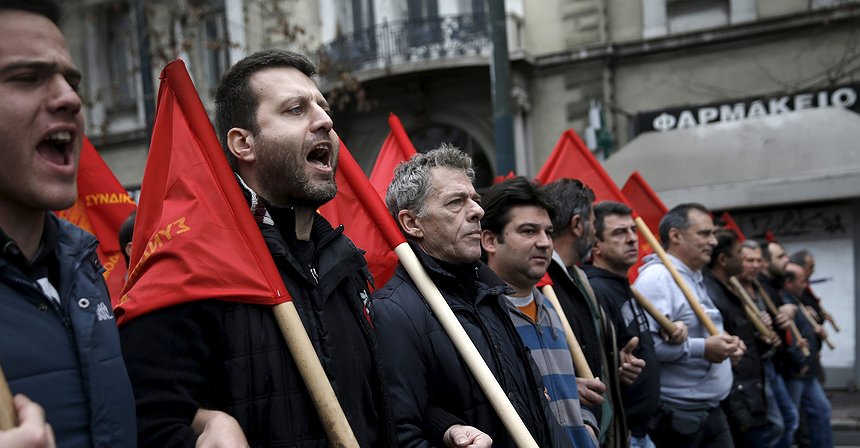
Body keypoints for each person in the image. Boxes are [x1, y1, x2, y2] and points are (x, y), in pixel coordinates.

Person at [119, 50, 397, 447]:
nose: (325, 121)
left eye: (323, 107)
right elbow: (145, 424)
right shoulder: (190, 266)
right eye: (296, 110)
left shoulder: (345, 264)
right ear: (243, 144)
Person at [0, 1, 137, 446]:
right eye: (27, 78)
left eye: (71, 81)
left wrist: (198, 424)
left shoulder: (84, 269)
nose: (71, 98)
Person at [373, 146, 571, 447]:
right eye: (456, 202)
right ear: (413, 223)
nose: (478, 211)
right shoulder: (394, 312)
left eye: (475, 200)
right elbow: (403, 434)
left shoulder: (491, 294)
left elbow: (536, 404)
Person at [480, 176, 599, 447]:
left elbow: (567, 394)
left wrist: (587, 429)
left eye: (547, 231)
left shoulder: (551, 309)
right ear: (489, 240)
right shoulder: (479, 318)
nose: (545, 242)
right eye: (528, 231)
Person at [633, 203, 742, 448]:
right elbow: (646, 349)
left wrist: (729, 344)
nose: (713, 242)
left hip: (711, 410)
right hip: (678, 416)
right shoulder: (658, 278)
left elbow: (704, 328)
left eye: (713, 233)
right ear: (675, 236)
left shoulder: (693, 276)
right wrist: (703, 349)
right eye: (704, 234)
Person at [542, 179, 626, 448]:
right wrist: (564, 385)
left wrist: (615, 359)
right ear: (577, 224)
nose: (596, 233)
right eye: (592, 221)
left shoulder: (578, 277)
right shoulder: (540, 283)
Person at [584, 201, 674, 448]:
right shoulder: (597, 291)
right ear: (596, 245)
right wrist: (616, 370)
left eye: (632, 230)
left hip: (643, 430)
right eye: (619, 232)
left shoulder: (624, 285)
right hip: (624, 433)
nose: (633, 239)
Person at [702, 230, 768, 447]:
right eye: (740, 253)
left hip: (749, 394)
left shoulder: (728, 290)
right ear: (723, 260)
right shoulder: (712, 293)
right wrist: (739, 410)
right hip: (739, 399)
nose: (744, 258)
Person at [737, 240, 798, 448]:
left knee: (789, 418)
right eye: (748, 260)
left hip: (770, 364)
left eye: (758, 260)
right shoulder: (732, 290)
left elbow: (776, 326)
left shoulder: (761, 288)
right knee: (775, 425)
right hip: (753, 367)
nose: (754, 265)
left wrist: (782, 321)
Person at [782, 262, 833, 448]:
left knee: (822, 411)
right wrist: (799, 361)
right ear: (788, 282)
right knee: (790, 420)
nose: (806, 285)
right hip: (796, 372)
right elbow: (789, 337)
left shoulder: (799, 301)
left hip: (808, 371)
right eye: (802, 281)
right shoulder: (784, 303)